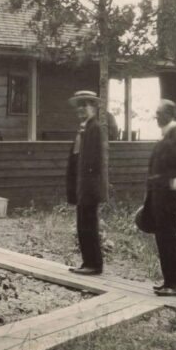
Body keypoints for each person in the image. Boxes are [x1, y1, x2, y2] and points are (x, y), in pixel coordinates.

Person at [142, 99, 176, 296]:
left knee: (169, 241)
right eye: (156, 112)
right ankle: (168, 281)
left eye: (160, 112)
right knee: (162, 240)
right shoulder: (165, 138)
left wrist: (160, 180)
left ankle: (174, 284)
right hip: (159, 198)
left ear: (170, 115)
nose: (156, 116)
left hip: (169, 200)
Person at [65, 90, 109, 276]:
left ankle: (94, 264)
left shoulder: (95, 128)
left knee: (89, 223)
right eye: (79, 105)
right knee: (82, 223)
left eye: (86, 105)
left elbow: (96, 161)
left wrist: (90, 186)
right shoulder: (83, 129)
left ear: (94, 107)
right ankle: (87, 262)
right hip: (81, 185)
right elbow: (77, 158)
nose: (81, 109)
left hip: (89, 186)